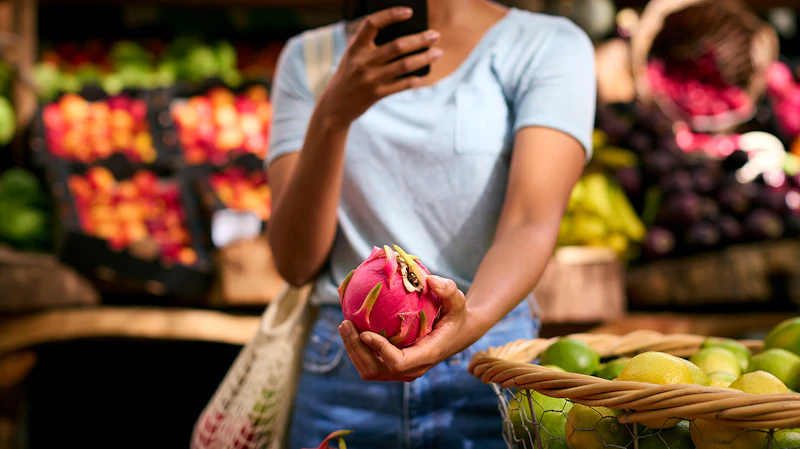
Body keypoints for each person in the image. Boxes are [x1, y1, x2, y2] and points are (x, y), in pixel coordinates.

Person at [266, 0, 596, 447]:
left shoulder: (546, 46)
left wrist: (467, 322)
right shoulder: (310, 59)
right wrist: (333, 115)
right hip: (343, 370)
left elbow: (531, 222)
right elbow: (295, 261)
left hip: (491, 364)